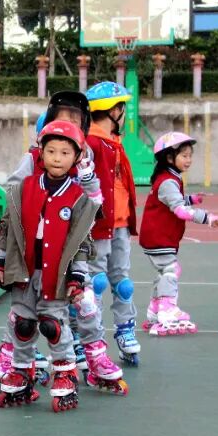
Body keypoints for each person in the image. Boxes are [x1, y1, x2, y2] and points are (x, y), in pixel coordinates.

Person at [0, 121, 96, 412]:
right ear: (41, 153)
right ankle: (22, 370)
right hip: (25, 272)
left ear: (76, 157)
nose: (57, 158)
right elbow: (8, 229)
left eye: (65, 152)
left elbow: (81, 243)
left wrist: (78, 277)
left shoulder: (78, 198)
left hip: (56, 275)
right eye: (51, 151)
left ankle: (64, 371)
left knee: (53, 325)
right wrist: (1, 261)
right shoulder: (24, 189)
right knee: (22, 324)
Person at [79, 81, 141, 367]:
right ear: (114, 111)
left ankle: (125, 329)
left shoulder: (113, 141)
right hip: (98, 225)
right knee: (95, 283)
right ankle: (90, 337)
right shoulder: (90, 143)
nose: (123, 113)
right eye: (122, 108)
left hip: (120, 222)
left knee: (122, 282)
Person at [138, 132, 218, 336]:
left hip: (158, 236)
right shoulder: (168, 181)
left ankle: (155, 309)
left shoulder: (169, 178)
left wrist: (192, 199)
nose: (189, 160)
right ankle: (167, 309)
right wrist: (207, 217)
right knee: (171, 269)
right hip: (159, 237)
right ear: (169, 157)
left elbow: (174, 199)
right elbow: (179, 210)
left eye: (190, 155)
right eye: (184, 155)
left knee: (164, 272)